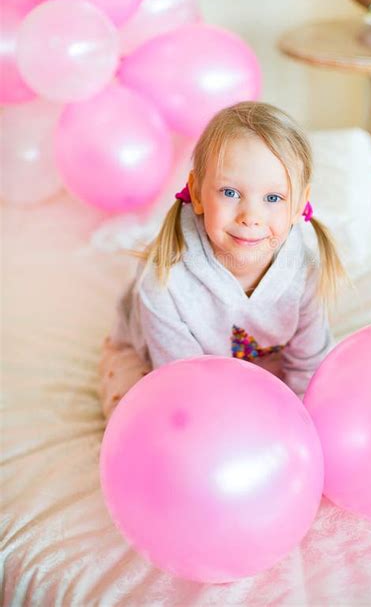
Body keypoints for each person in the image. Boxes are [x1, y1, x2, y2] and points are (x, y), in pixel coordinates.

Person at [98, 101, 346, 421]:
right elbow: (184, 385)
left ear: (299, 204)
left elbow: (307, 367)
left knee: (322, 403)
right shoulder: (164, 282)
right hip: (164, 365)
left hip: (262, 361)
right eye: (230, 193)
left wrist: (300, 424)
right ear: (197, 192)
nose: (250, 217)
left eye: (273, 198)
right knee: (144, 416)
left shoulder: (306, 273)